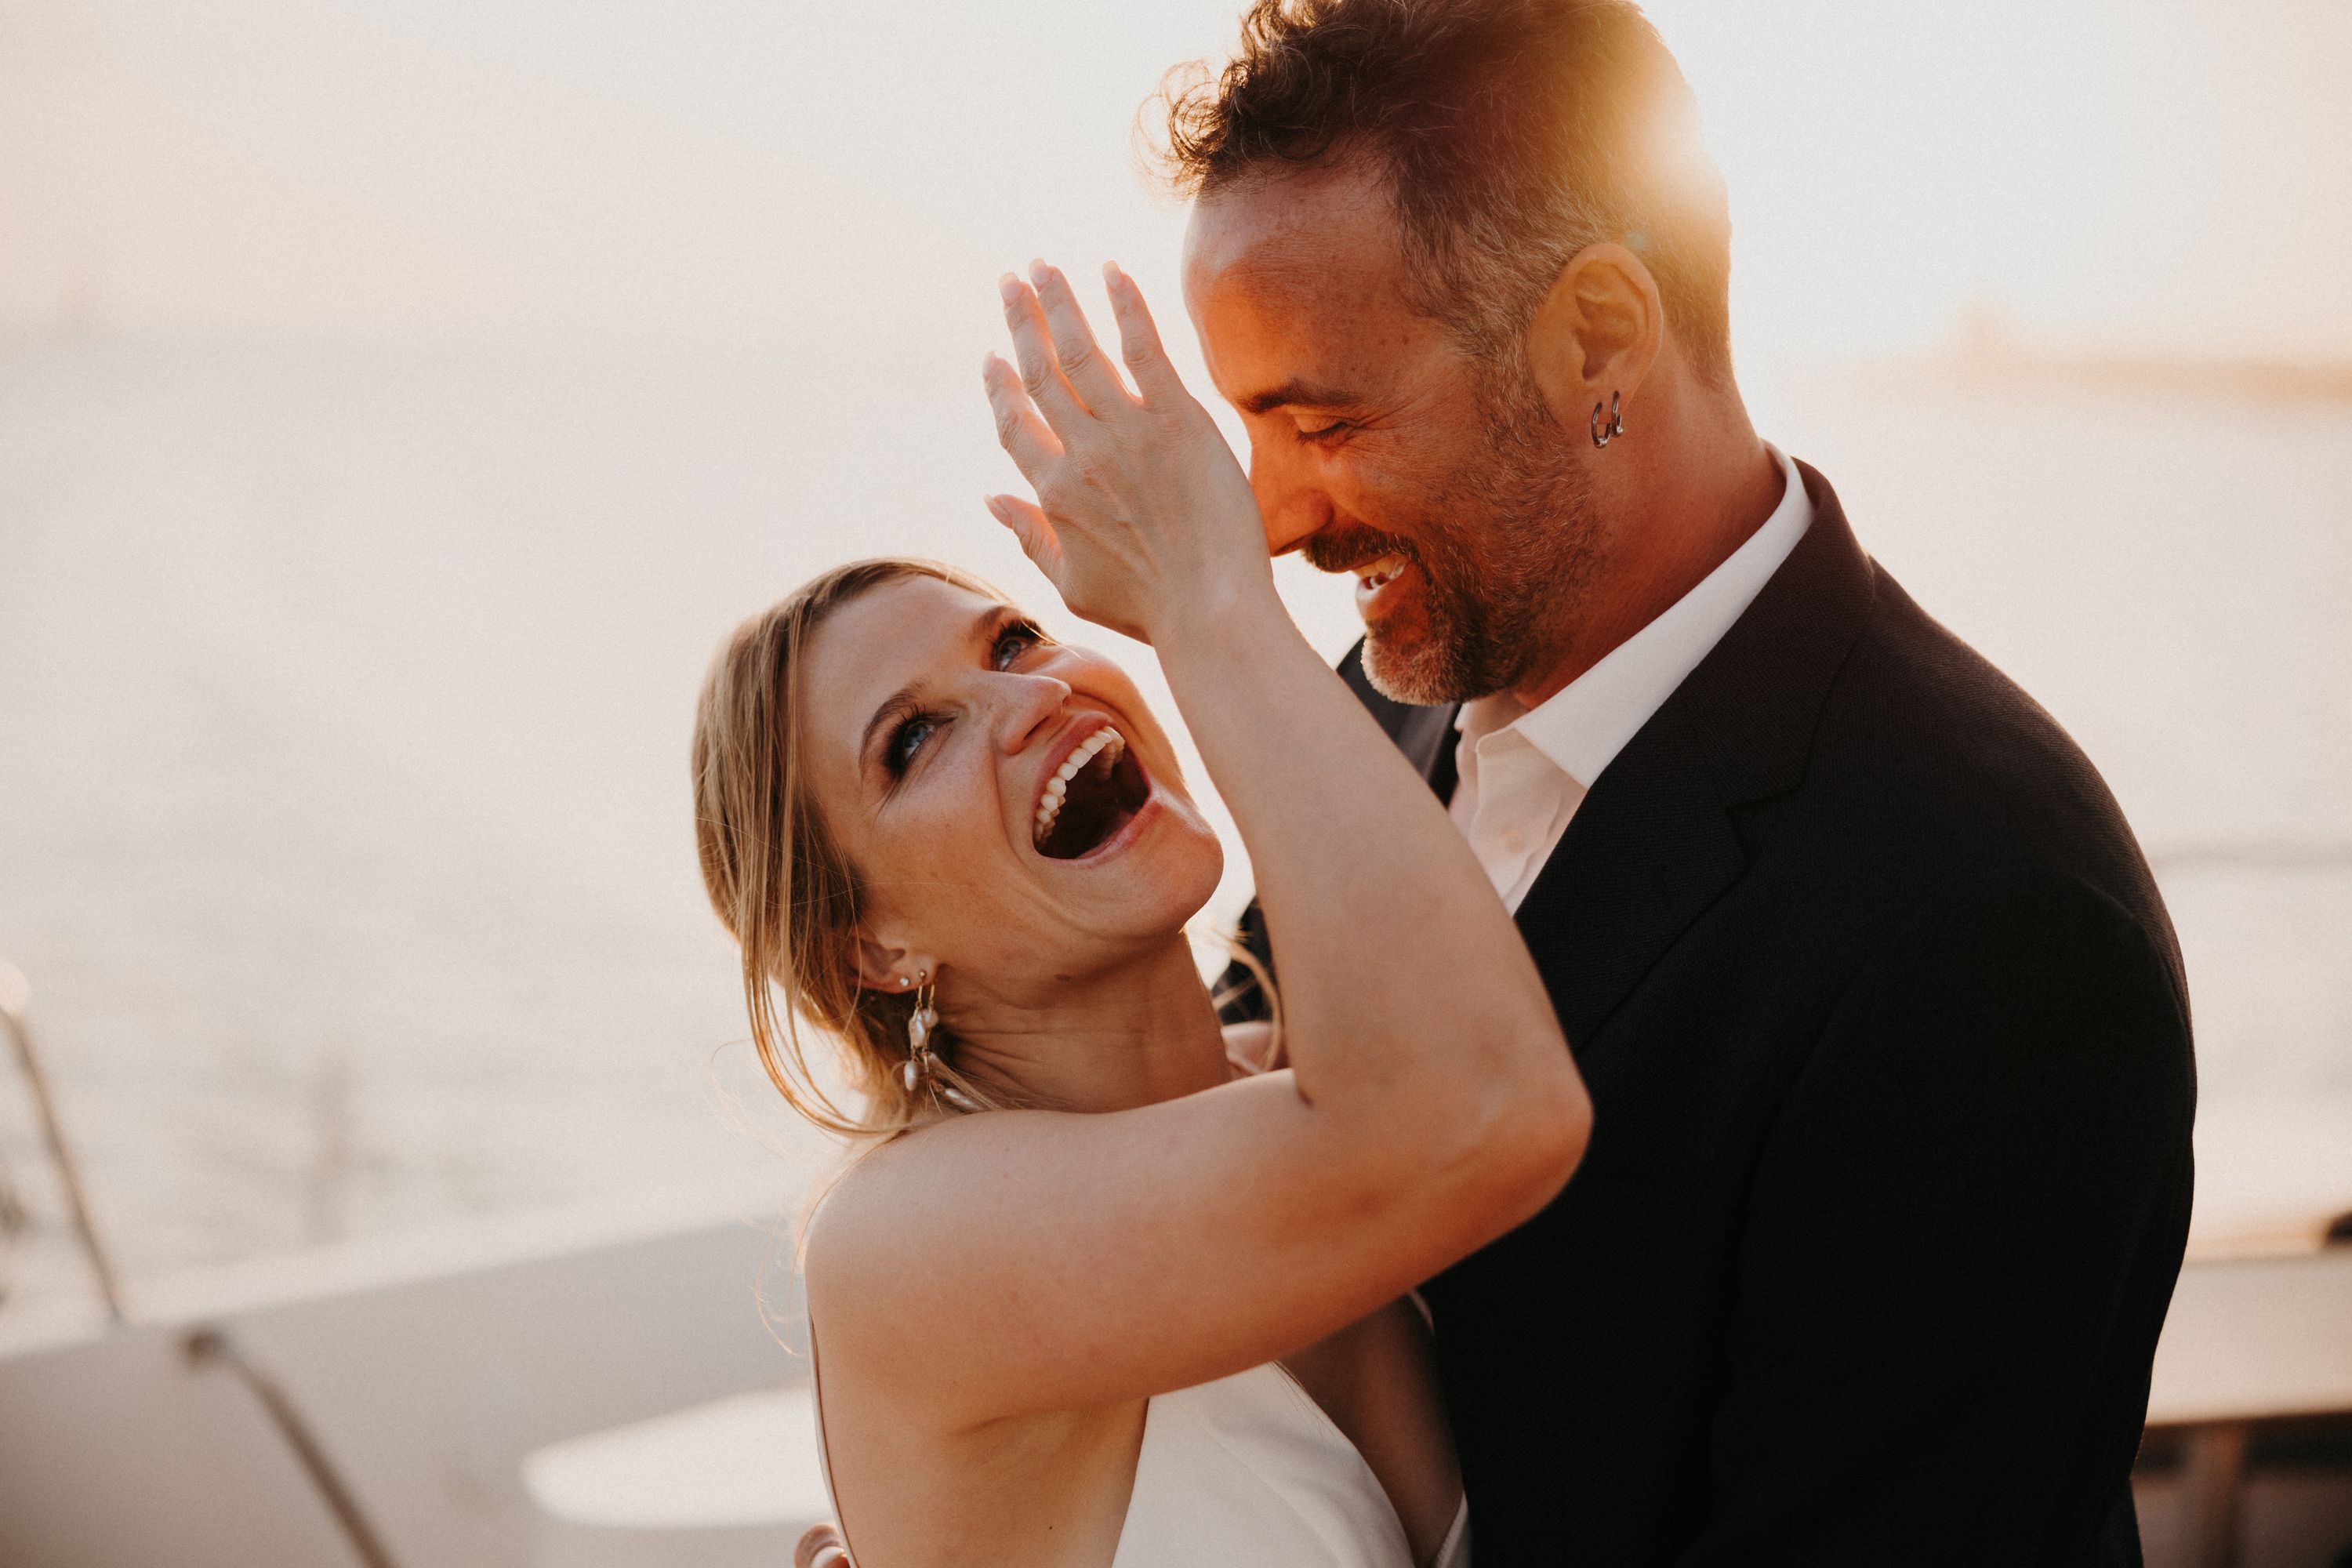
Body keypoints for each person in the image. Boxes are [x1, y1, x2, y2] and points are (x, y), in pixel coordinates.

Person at [1152, 1, 2198, 1563]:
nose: (1281, 518)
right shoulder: (1397, 687)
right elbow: (1274, 1017)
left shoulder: (1987, 927)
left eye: (1330, 421)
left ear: (1596, 341)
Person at [691, 267, 1590, 1563]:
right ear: (874, 948)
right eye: (914, 741)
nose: (1027, 701)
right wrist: (1208, 596)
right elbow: (1483, 1110)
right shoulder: (900, 1248)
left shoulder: (1318, 1070)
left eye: (1010, 644)